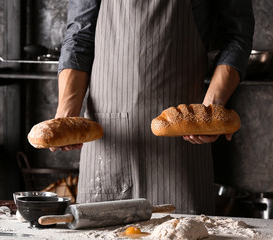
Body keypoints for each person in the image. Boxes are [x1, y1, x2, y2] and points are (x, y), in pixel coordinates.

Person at [50, 0, 254, 214]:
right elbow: (79, 35)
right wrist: (67, 113)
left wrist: (211, 110)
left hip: (184, 141)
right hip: (110, 141)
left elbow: (237, 35)